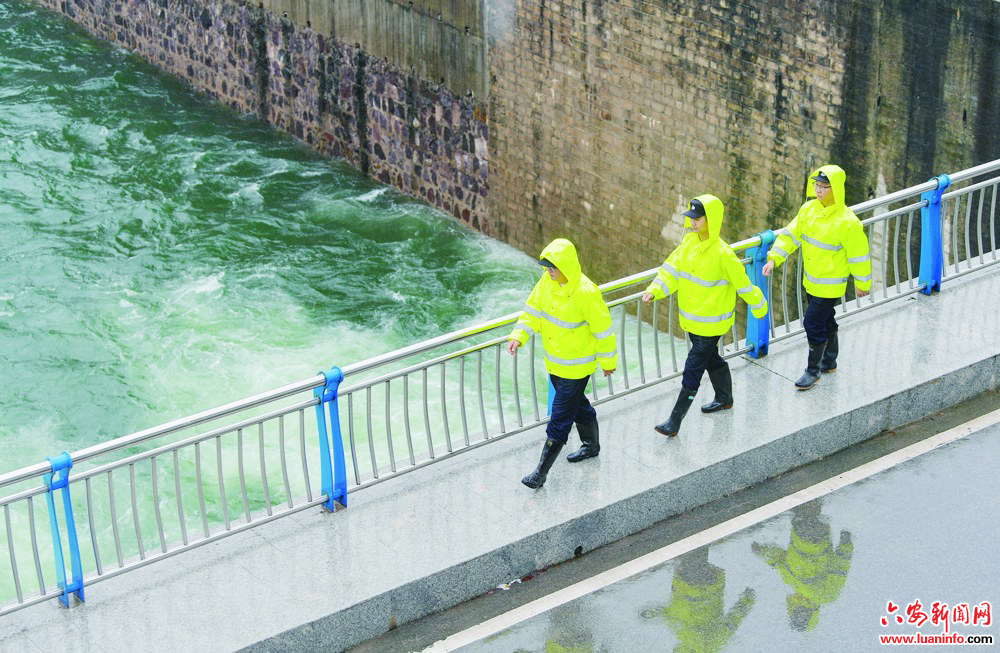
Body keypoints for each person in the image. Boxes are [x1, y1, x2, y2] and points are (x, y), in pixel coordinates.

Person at [642, 194, 767, 438]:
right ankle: (725, 397)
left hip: (712, 324)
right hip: (692, 321)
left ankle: (674, 421)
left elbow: (744, 285)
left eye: (698, 218)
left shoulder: (723, 254)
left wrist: (760, 307)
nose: (693, 222)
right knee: (711, 359)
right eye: (691, 218)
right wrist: (654, 291)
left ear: (712, 219)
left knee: (693, 369)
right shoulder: (688, 244)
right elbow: (670, 271)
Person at [507, 238, 617, 489]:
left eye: (552, 267)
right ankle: (591, 445)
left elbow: (603, 330)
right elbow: (532, 312)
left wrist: (608, 361)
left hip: (577, 367)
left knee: (560, 417)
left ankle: (540, 473)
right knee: (578, 405)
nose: (548, 271)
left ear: (565, 266)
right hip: (555, 363)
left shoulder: (587, 292)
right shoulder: (546, 283)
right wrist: (518, 336)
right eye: (546, 267)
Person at [762, 165, 872, 389]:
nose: (818, 190)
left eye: (824, 187)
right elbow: (790, 235)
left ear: (836, 188)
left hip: (830, 285)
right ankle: (829, 360)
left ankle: (813, 370)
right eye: (817, 185)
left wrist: (862, 283)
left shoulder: (847, 222)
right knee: (826, 319)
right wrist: (774, 258)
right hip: (811, 280)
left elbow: (859, 256)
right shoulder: (809, 210)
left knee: (812, 323)